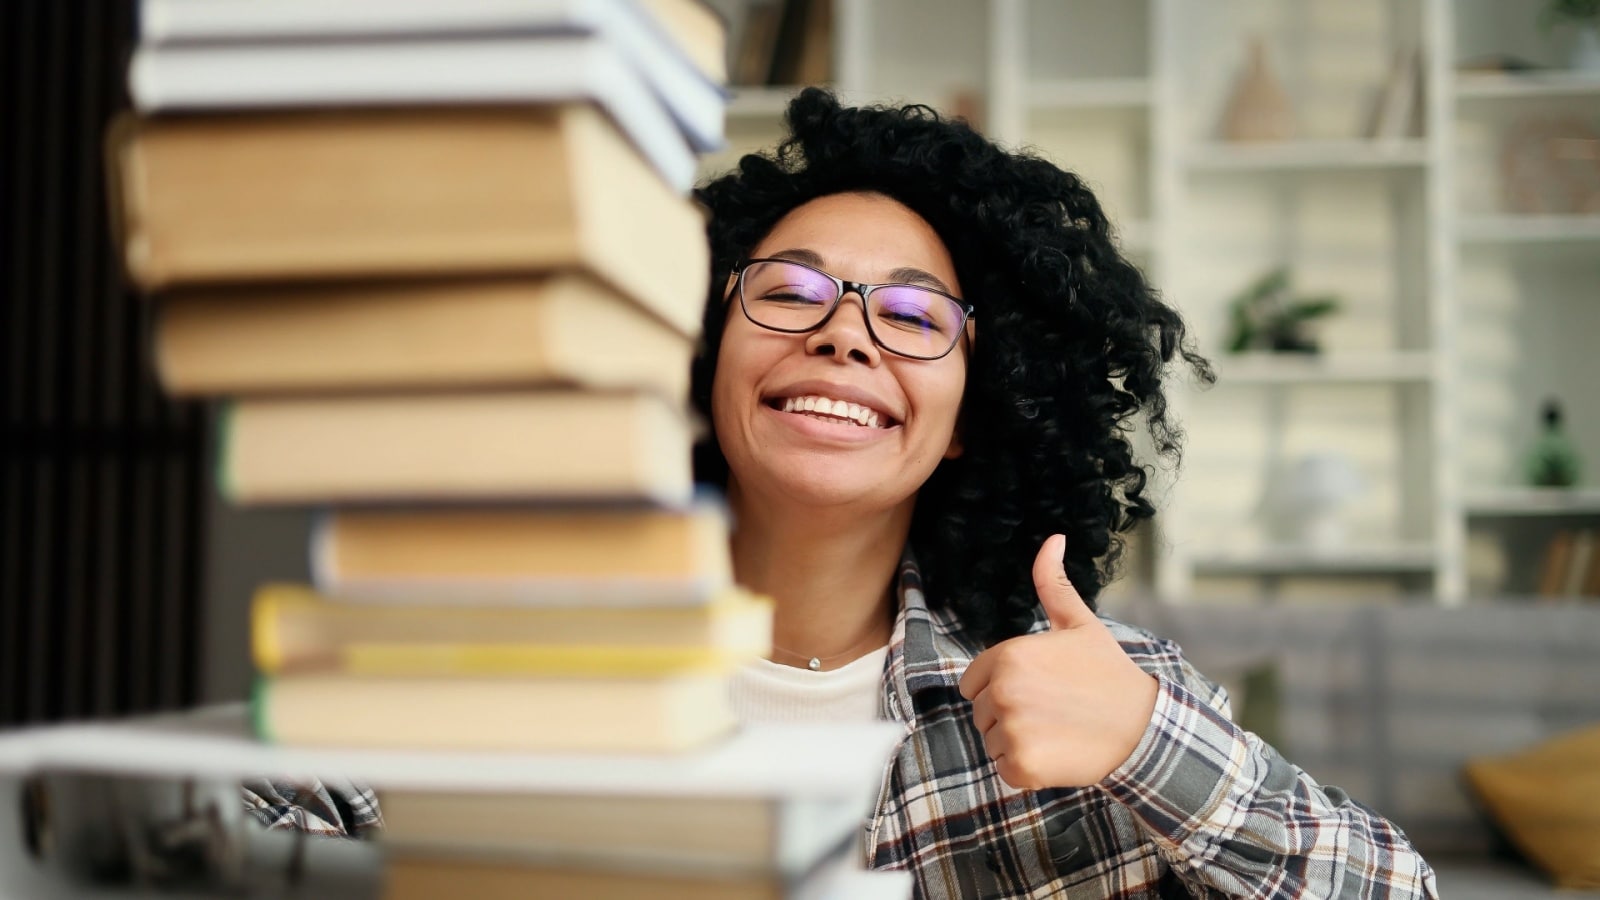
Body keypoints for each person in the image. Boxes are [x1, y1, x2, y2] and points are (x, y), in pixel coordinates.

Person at [697, 88, 1440, 899]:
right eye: (790, 293)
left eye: (913, 316)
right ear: (706, 353)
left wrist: (1145, 745)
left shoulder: (1099, 689)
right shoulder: (550, 651)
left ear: (967, 419)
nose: (842, 333)